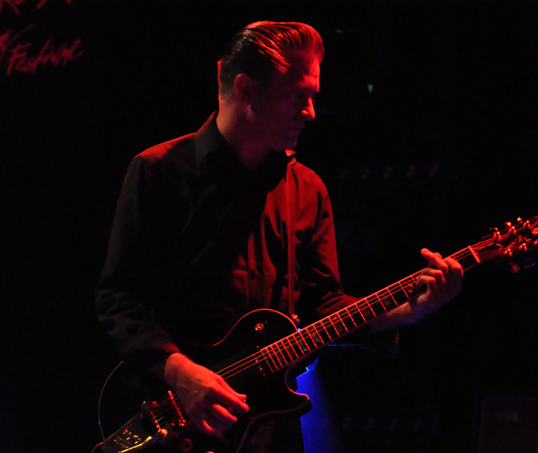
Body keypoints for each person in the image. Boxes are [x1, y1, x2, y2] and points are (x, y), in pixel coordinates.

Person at [95, 21, 463, 452]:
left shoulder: (308, 189)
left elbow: (324, 305)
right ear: (247, 89)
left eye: (314, 97)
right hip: (171, 417)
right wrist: (179, 371)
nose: (311, 113)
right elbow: (118, 297)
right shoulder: (158, 171)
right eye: (297, 96)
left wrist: (407, 311)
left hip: (270, 428)